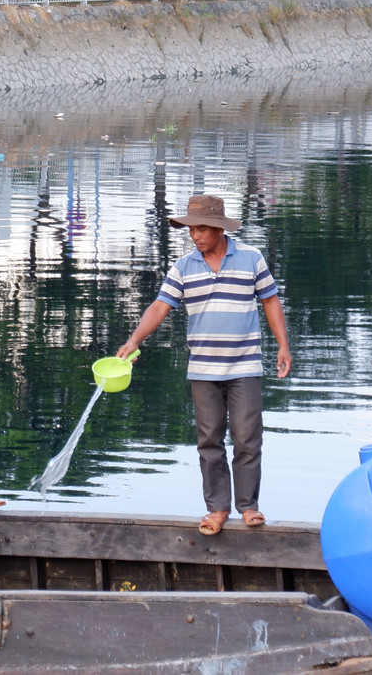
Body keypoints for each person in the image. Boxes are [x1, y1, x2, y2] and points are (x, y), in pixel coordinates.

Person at [116, 194, 292, 535]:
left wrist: (283, 346)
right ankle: (217, 508)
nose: (195, 236)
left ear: (218, 228)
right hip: (203, 369)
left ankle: (249, 506)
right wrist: (134, 340)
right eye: (190, 230)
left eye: (201, 229)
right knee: (209, 439)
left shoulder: (251, 258)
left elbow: (270, 301)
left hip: (245, 366)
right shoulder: (184, 267)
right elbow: (159, 307)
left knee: (247, 438)